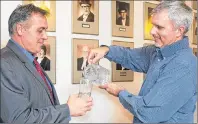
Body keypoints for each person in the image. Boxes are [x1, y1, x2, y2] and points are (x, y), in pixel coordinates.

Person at [88, 1, 197, 123]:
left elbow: (150, 113)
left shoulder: (184, 66)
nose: (152, 32)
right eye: (153, 25)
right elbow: (129, 56)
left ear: (179, 31)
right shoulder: (157, 52)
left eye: (159, 27)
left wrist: (120, 92)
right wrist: (106, 50)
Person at [1, 4, 93, 123]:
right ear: (20, 29)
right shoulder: (4, 63)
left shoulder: (30, 59)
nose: (45, 37)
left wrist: (68, 108)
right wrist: (67, 110)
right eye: (40, 30)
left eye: (45, 30)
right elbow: (19, 120)